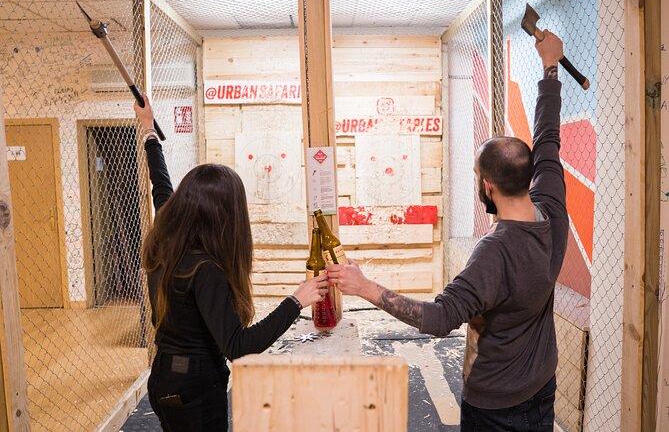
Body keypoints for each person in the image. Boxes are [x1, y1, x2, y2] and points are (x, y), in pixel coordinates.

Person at [327, 30, 568, 431]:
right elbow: (548, 137)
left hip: (495, 405)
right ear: (529, 175)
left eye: (477, 176)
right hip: (542, 386)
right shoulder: (553, 211)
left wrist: (364, 286)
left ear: (488, 186)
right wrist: (551, 67)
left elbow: (440, 319)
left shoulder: (495, 252)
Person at [134, 97, 329, 432]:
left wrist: (149, 131)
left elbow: (161, 185)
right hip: (195, 389)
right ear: (222, 216)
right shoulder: (205, 269)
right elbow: (238, 345)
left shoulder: (168, 234)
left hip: (164, 379)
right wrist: (297, 300)